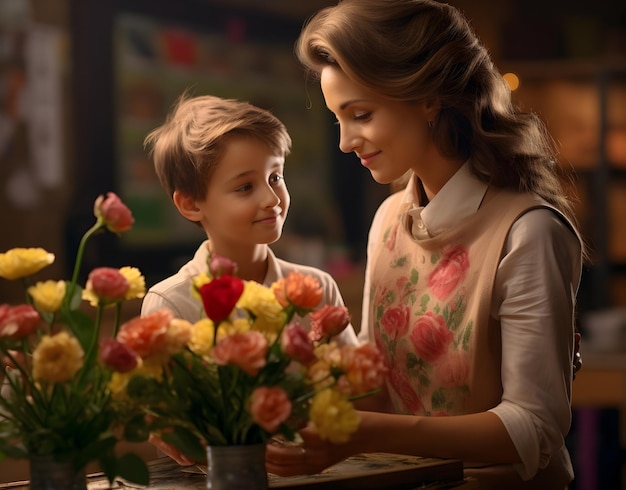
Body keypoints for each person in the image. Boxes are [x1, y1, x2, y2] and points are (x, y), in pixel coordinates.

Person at [265, 1, 585, 488]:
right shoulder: (389, 219)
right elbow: (375, 386)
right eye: (339, 119)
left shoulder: (528, 231)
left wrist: (363, 433)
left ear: (429, 98)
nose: (346, 142)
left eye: (361, 114)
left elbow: (534, 428)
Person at [141, 94, 358, 462]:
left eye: (275, 177)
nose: (272, 198)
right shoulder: (171, 304)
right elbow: (169, 431)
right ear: (192, 203)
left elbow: (355, 388)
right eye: (245, 187)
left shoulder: (316, 288)